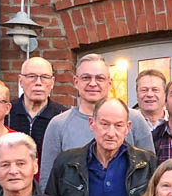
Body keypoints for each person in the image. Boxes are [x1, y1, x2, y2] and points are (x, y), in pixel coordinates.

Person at [39, 53, 154, 188]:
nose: (93, 83)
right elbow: (47, 182)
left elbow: (151, 175)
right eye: (86, 77)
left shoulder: (134, 119)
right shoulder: (58, 125)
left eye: (100, 78)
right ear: (76, 82)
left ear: (109, 83)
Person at [6, 57, 67, 151]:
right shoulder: (6, 113)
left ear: (52, 82)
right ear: (21, 81)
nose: (38, 83)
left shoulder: (63, 116)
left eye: (45, 77)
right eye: (31, 76)